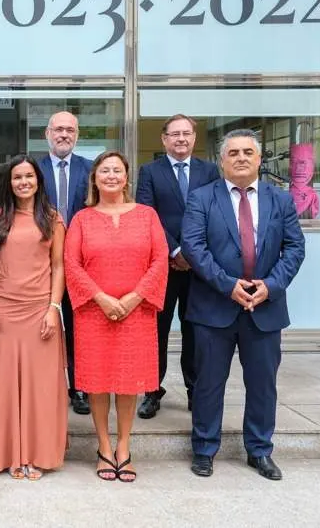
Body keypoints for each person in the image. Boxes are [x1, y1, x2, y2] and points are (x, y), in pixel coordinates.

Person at [183, 129, 305, 481]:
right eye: (232, 152)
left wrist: (271, 285)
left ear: (259, 159)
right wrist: (226, 285)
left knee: (263, 384)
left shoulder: (280, 200)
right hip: (213, 308)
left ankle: (260, 451)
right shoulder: (202, 198)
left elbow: (295, 248)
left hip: (264, 308)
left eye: (247, 152)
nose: (240, 158)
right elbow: (194, 247)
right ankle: (204, 449)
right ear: (221, 161)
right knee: (208, 383)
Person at [64, 151, 168, 483]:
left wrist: (135, 297)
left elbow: (160, 259)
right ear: (94, 178)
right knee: (97, 383)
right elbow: (71, 263)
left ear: (126, 178)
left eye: (117, 171)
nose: (111, 176)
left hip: (137, 313)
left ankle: (124, 447)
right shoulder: (82, 218)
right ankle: (104, 447)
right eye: (104, 171)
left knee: (128, 382)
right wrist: (102, 298)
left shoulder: (147, 215)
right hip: (94, 312)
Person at [0, 155, 67, 480]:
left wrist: (54, 309)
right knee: (4, 386)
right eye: (17, 177)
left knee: (40, 387)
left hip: (41, 310)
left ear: (38, 180)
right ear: (10, 183)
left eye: (29, 176)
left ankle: (36, 454)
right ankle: (10, 452)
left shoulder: (53, 219)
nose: (23, 182)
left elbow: (59, 267)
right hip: (4, 310)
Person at [135, 114, 220, 419]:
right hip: (161, 265)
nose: (181, 139)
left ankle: (194, 390)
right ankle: (151, 391)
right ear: (164, 139)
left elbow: (216, 214)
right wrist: (175, 249)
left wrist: (192, 252)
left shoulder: (210, 171)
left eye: (186, 133)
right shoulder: (150, 172)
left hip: (200, 268)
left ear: (194, 138)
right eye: (175, 134)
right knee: (155, 331)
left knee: (195, 331)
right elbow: (148, 214)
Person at [38, 111, 94, 416]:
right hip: (41, 262)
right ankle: (45, 386)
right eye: (58, 129)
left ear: (77, 134)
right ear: (48, 133)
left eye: (70, 130)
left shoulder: (91, 169)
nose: (64, 135)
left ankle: (79, 387)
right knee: (41, 328)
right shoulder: (34, 168)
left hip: (82, 262)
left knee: (77, 329)